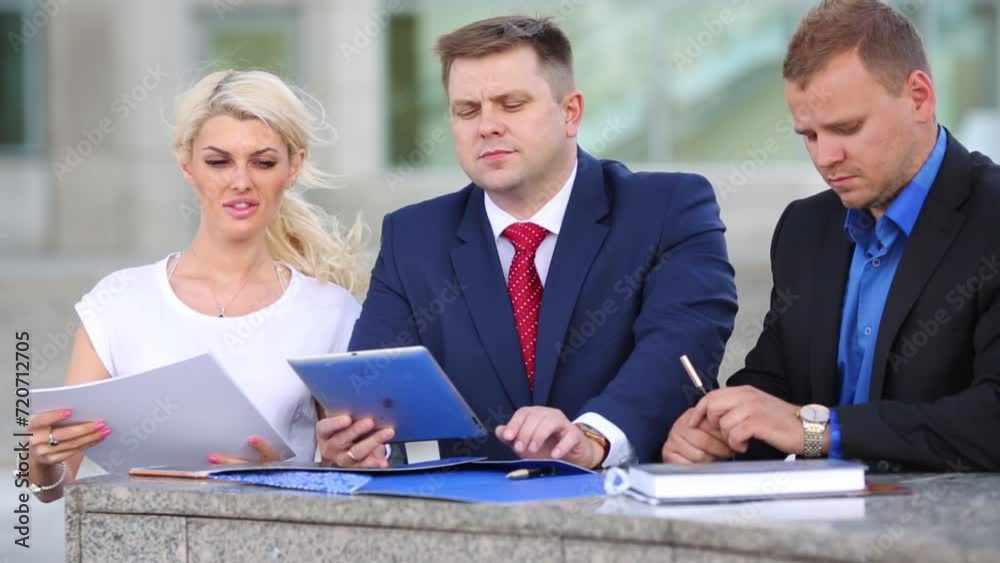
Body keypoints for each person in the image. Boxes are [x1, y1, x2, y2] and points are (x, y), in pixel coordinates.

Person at [317, 15, 737, 469]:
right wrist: (355, 442)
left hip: (628, 509)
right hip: (466, 520)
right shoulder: (412, 237)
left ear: (571, 112)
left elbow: (681, 343)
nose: (487, 126)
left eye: (511, 104)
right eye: (467, 111)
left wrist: (593, 437)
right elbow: (375, 391)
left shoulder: (666, 208)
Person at [663, 0, 1000, 471]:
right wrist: (721, 428)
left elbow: (990, 420)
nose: (825, 158)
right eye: (809, 135)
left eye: (846, 128)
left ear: (919, 97)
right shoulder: (805, 228)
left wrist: (816, 432)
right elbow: (774, 382)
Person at [25, 70, 365, 502]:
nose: (240, 180)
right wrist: (39, 462)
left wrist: (289, 478)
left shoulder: (331, 310)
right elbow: (51, 488)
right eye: (218, 161)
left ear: (294, 166)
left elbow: (355, 474)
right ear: (187, 165)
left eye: (262, 162)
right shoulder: (116, 303)